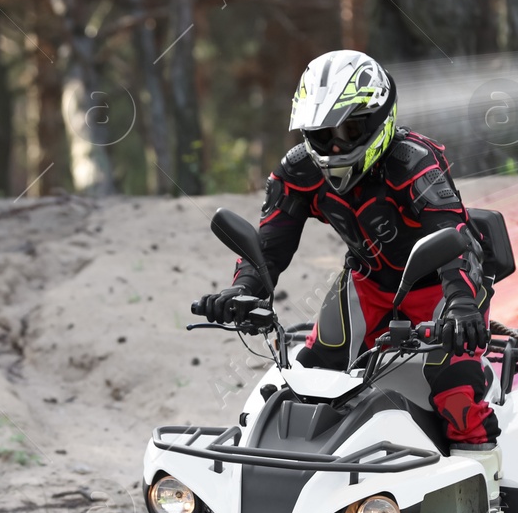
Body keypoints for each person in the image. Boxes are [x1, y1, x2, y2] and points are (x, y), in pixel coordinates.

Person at [197, 49, 501, 484]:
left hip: (443, 290)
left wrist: (461, 306)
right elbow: (270, 243)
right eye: (323, 134)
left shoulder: (414, 161)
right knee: (309, 386)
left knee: (458, 398)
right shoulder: (298, 170)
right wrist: (245, 289)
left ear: (380, 119)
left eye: (350, 129)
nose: (336, 145)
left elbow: (454, 235)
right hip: (367, 283)